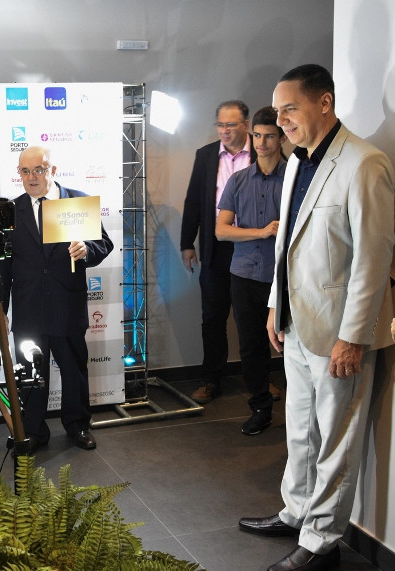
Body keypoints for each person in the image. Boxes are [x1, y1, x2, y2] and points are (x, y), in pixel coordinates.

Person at [239, 64, 395, 571]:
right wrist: (274, 305)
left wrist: (355, 336)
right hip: (294, 323)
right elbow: (286, 245)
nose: (281, 119)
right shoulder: (296, 163)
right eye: (277, 110)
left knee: (336, 439)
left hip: (338, 332)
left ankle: (322, 541)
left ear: (324, 103)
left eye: (291, 109)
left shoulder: (364, 162)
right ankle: (297, 511)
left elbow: (373, 259)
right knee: (301, 429)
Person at [0, 146, 113, 453]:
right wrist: (1, 308)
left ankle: (78, 425)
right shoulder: (12, 210)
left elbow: (104, 243)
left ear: (53, 170)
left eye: (38, 170)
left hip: (67, 304)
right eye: (25, 171)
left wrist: (87, 249)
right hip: (28, 307)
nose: (31, 177)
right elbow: (5, 264)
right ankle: (34, 431)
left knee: (74, 370)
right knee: (30, 373)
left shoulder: (76, 202)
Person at [181, 100, 267, 404]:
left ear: (245, 124)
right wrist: (187, 243)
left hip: (255, 245)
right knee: (213, 317)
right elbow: (194, 200)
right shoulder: (206, 155)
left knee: (256, 317)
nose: (225, 131)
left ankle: (262, 381)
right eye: (220, 125)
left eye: (231, 125)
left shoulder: (263, 149)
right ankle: (210, 379)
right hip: (216, 246)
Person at [215, 106, 287, 435]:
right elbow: (221, 231)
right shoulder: (239, 180)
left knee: (290, 345)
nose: (261, 142)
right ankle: (261, 408)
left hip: (283, 276)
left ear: (282, 138)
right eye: (257, 135)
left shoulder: (295, 179)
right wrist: (261, 232)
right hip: (244, 274)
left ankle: (301, 410)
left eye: (269, 136)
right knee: (251, 345)